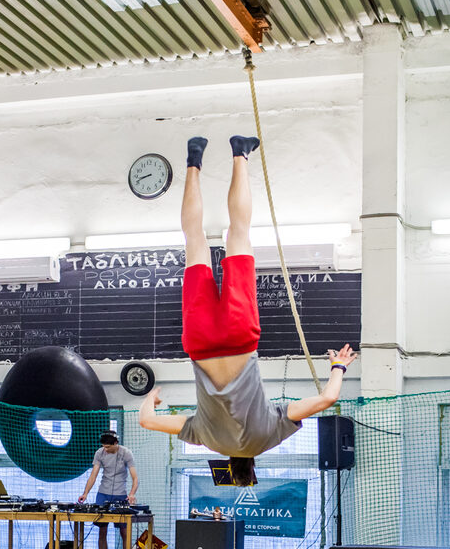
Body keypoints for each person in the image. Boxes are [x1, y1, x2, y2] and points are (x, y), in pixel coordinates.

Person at [138, 136, 358, 485]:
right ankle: (193, 161)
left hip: (240, 338)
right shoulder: (205, 438)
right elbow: (147, 421)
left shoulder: (270, 436)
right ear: (229, 464)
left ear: (253, 465)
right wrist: (151, 397)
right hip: (200, 343)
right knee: (194, 241)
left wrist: (338, 367)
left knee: (238, 234)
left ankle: (240, 153)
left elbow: (328, 398)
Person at [77, 430, 139, 549]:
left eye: (108, 447)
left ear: (116, 443)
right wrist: (85, 493)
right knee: (102, 530)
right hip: (103, 494)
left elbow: (135, 477)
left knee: (124, 531)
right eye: (104, 446)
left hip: (120, 494)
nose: (106, 449)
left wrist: (132, 493)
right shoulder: (99, 453)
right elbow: (93, 475)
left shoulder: (126, 453)